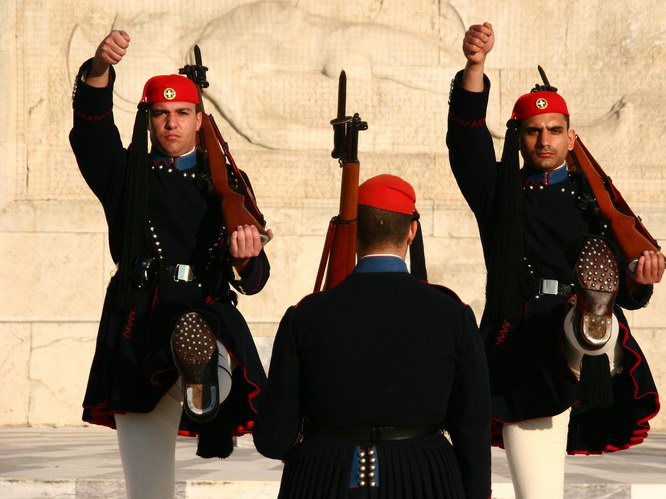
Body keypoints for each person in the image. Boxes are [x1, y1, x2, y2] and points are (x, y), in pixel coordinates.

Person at [446, 23, 665, 498]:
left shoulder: (595, 200)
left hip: (587, 328)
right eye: (533, 131)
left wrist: (640, 279)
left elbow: (629, 279)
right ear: (518, 137)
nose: (544, 140)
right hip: (522, 338)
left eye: (555, 130)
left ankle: (591, 329)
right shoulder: (502, 197)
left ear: (571, 137)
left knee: (593, 318)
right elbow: (466, 144)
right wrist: (475, 68)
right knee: (538, 490)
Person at [69, 30, 270, 499]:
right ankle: (201, 383)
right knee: (147, 489)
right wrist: (99, 69)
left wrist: (245, 258)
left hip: (203, 313)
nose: (171, 124)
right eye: (161, 114)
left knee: (199, 329)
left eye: (182, 113)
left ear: (200, 120)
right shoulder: (126, 176)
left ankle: (203, 380)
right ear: (148, 119)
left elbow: (257, 279)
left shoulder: (228, 183)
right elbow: (91, 128)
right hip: (140, 325)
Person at [253, 174, 492, 499]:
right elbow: (472, 428)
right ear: (412, 231)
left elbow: (273, 439)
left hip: (324, 475)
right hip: (424, 474)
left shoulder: (305, 316)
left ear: (353, 234)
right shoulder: (454, 316)